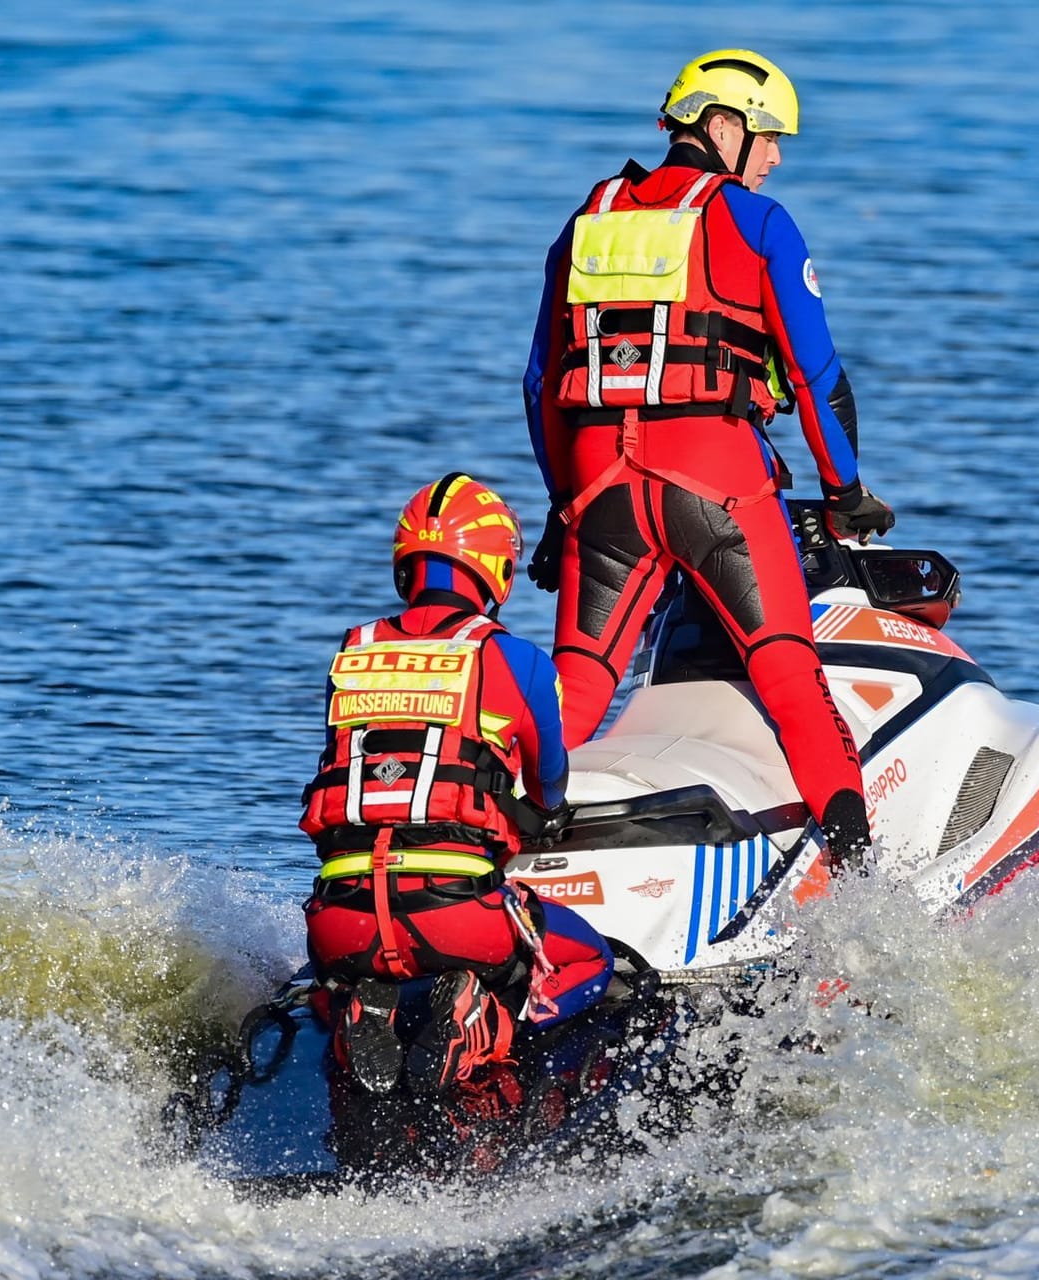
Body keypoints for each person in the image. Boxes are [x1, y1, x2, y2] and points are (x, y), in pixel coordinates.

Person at [521, 48, 895, 868]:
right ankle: (868, 903)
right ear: (721, 128)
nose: (776, 155)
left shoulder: (588, 217)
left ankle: (480, 856)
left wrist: (562, 507)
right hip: (716, 481)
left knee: (574, 691)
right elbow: (816, 376)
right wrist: (847, 495)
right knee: (793, 680)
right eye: (767, 135)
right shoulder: (758, 221)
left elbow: (542, 382)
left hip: (600, 489)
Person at [299, 473, 614, 1100]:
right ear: (495, 568)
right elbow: (549, 782)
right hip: (460, 916)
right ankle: (482, 1024)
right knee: (593, 960)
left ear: (405, 563)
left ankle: (360, 1010)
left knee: (324, 980)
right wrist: (528, 815)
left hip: (341, 922)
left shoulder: (352, 649)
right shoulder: (516, 657)